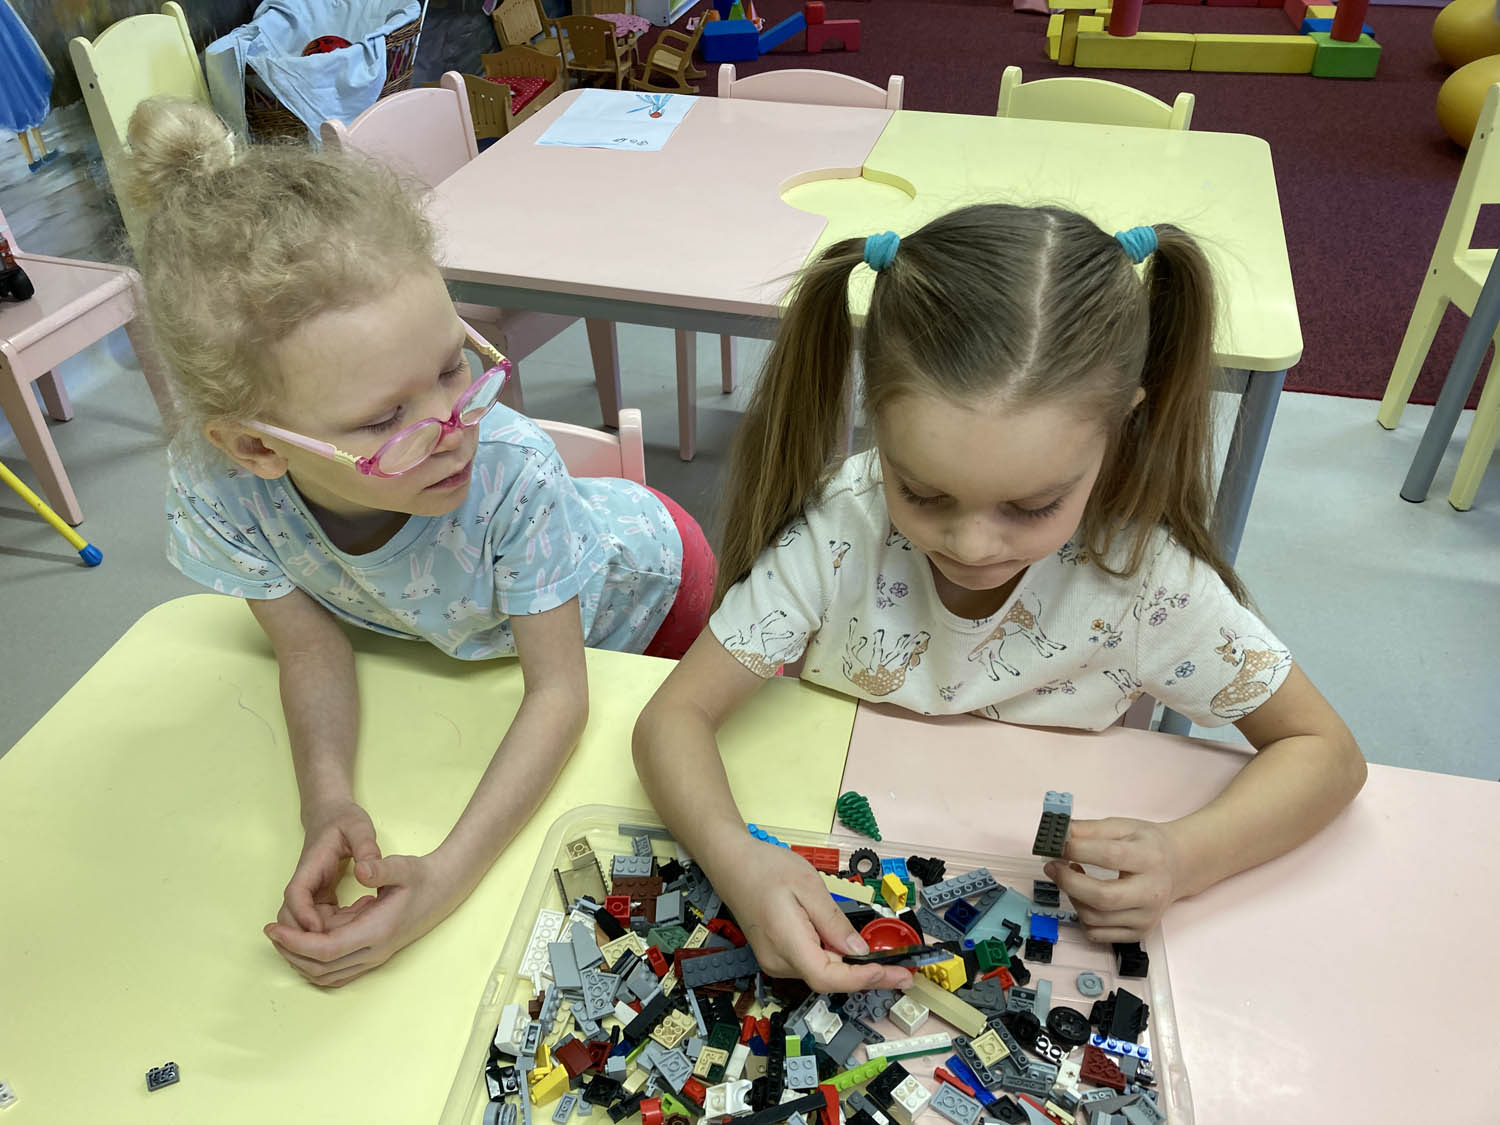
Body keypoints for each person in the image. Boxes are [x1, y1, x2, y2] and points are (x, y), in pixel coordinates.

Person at [633, 204, 1366, 993]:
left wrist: (1188, 856)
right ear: (878, 420)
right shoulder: (843, 530)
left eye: (1032, 506)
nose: (973, 544)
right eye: (923, 493)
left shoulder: (1144, 579)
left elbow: (1326, 753)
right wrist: (737, 857)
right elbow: (672, 717)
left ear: (1121, 423)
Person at [126, 96, 714, 988]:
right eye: (384, 418)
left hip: (650, 597)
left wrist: (445, 878)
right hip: (472, 651)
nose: (453, 426)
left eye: (452, 365)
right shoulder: (219, 491)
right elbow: (310, 645)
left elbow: (560, 692)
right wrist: (327, 797)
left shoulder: (510, 470)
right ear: (255, 447)